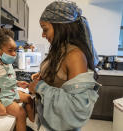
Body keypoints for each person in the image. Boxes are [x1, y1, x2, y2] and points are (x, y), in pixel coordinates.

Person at [28, 1, 100, 131]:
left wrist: (40, 86)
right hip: (48, 123)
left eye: (45, 29)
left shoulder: (75, 56)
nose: (43, 35)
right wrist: (43, 76)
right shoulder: (59, 50)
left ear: (61, 27)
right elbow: (60, 78)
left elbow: (77, 107)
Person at [0, 28, 35, 131]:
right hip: (2, 98)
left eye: (15, 50)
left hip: (11, 92)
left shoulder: (8, 63)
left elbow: (7, 79)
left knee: (29, 99)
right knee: (21, 113)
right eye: (10, 50)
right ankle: (22, 124)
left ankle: (31, 125)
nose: (14, 54)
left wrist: (17, 83)